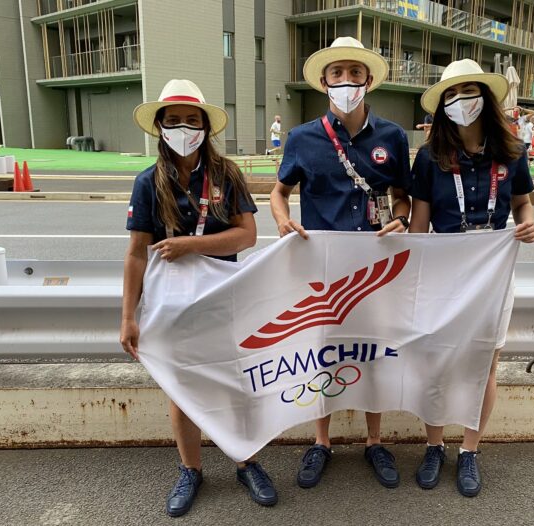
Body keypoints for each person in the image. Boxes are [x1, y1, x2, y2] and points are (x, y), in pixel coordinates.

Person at [121, 79, 277, 517]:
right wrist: (127, 318)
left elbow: (248, 235)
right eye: (174, 121)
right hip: (171, 307)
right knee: (182, 389)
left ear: (206, 126)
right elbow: (135, 255)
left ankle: (246, 461)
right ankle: (191, 470)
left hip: (225, 298)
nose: (183, 128)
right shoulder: (148, 181)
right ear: (159, 127)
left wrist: (190, 245)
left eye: (192, 120)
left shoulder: (226, 173)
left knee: (234, 383)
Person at [270, 36, 411, 490]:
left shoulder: (392, 137)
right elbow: (279, 191)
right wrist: (281, 219)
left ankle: (374, 440)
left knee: (373, 353)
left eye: (354, 73)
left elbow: (401, 195)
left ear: (367, 80)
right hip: (321, 268)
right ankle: (321, 442)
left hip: (374, 266)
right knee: (323, 356)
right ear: (324, 83)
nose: (346, 82)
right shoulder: (302, 138)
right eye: (337, 74)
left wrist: (402, 218)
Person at [408, 58, 534, 497]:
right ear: (442, 105)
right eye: (451, 95)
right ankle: (433, 445)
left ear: (486, 96)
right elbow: (418, 228)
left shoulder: (513, 151)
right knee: (435, 362)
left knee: (484, 366)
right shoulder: (429, 158)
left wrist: (528, 224)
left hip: (492, 272)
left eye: (469, 92)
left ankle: (469, 451)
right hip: (444, 273)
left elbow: (522, 205)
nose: (461, 101)